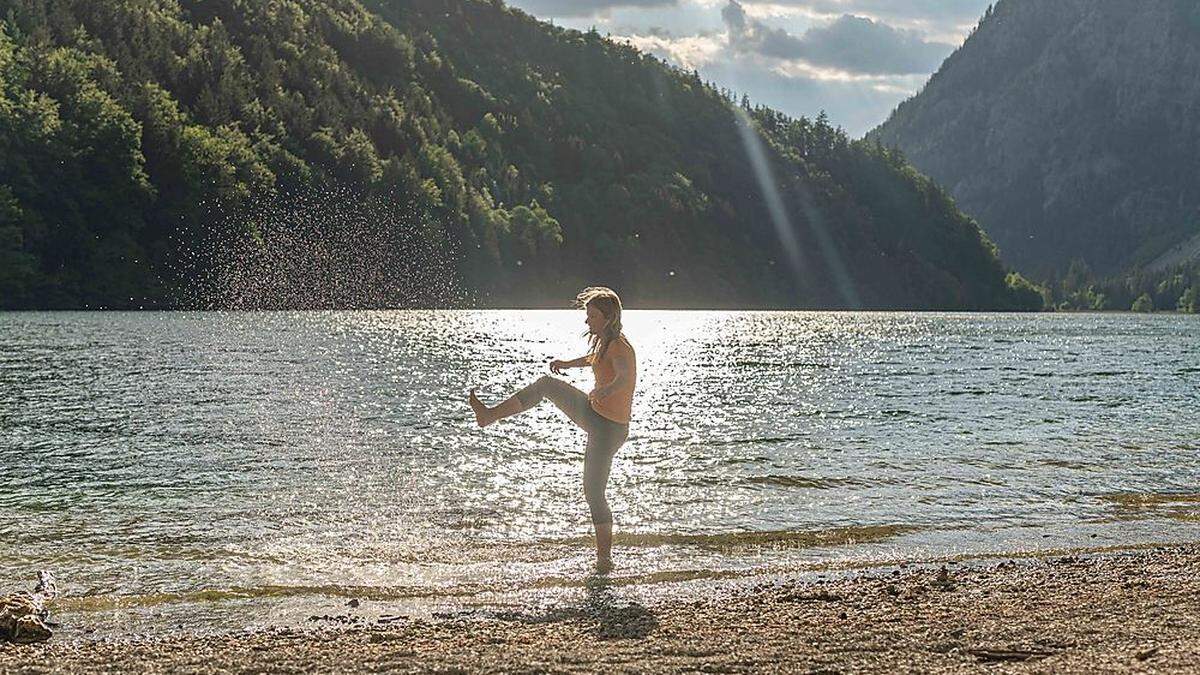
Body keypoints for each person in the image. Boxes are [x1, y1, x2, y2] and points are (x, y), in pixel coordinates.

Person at [469, 286, 637, 573]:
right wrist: (567, 364)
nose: (587, 322)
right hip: (598, 417)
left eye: (592, 316)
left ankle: (604, 559)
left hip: (607, 427)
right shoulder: (604, 343)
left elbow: (623, 376)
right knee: (546, 384)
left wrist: (607, 389)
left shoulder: (619, 347)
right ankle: (490, 416)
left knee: (593, 491)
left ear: (608, 318)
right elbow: (593, 361)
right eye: (587, 316)